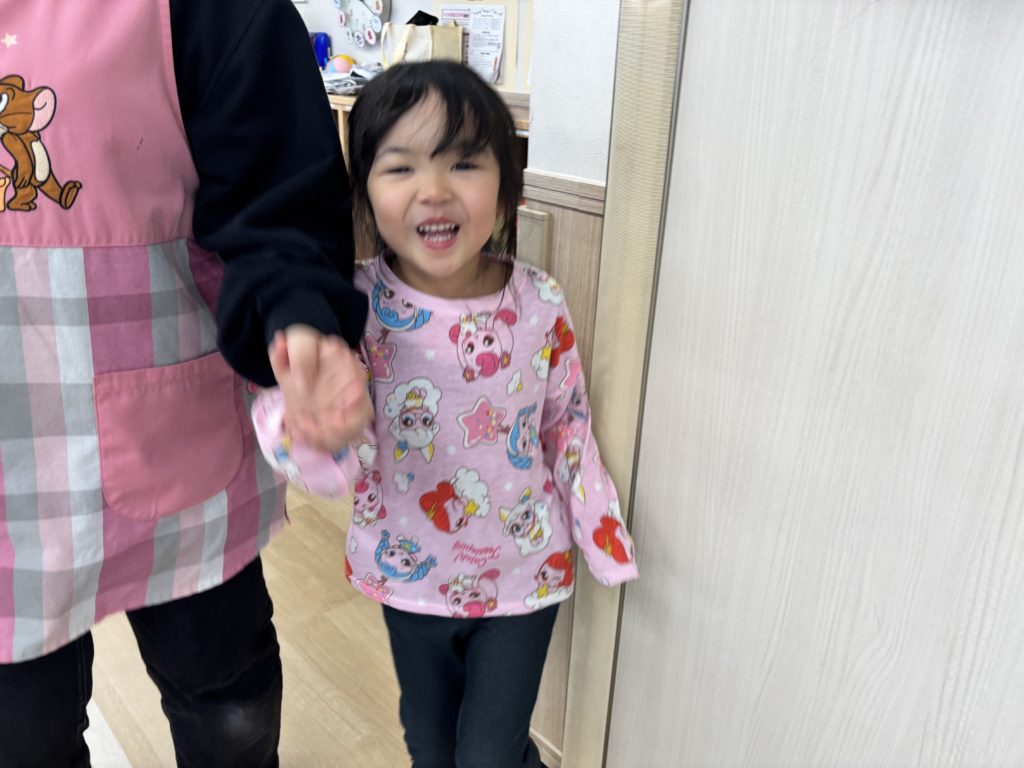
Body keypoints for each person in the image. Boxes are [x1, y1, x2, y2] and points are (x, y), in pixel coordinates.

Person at [0, 1, 370, 766]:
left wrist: (301, 316)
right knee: (22, 736)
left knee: (227, 702)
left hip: (174, 446)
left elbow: (281, 199)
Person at [253, 61, 640, 768]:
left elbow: (566, 422)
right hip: (411, 577)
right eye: (401, 167)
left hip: (525, 574)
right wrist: (310, 427)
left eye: (463, 162)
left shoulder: (540, 301)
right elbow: (329, 449)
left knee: (489, 754)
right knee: (430, 747)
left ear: (507, 185)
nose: (434, 189)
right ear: (364, 193)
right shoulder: (353, 305)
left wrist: (600, 528)